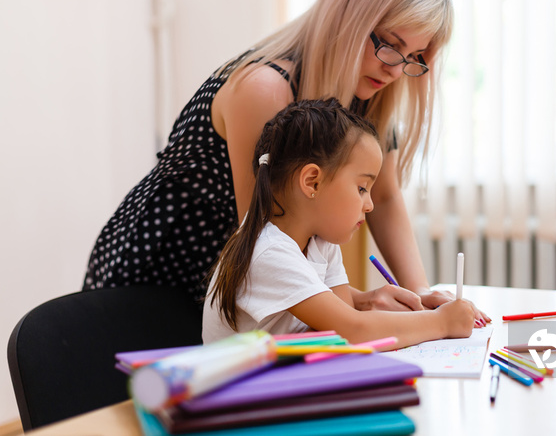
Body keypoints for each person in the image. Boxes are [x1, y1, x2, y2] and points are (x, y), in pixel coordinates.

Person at [83, 0, 489, 320]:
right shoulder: (265, 89)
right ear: (346, 13)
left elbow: (384, 198)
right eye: (388, 43)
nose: (396, 68)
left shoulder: (369, 95)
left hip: (241, 294)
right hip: (158, 277)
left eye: (414, 56)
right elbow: (264, 237)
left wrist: (420, 298)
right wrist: (359, 306)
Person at [203, 98, 479, 347]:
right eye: (361, 188)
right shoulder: (268, 251)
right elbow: (352, 330)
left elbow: (341, 321)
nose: (369, 205)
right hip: (245, 395)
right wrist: (443, 322)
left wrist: (409, 312)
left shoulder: (319, 240)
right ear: (313, 181)